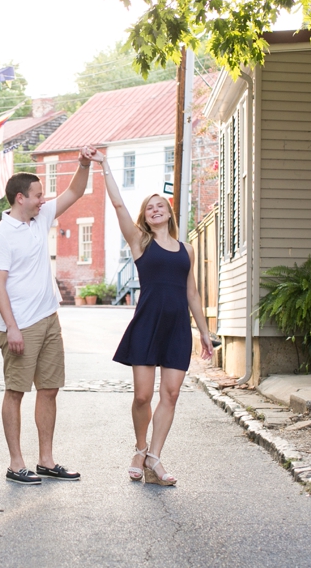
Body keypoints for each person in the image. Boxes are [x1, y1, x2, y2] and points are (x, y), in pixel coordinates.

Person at [88, 149, 214, 486]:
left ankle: (155, 459)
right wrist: (104, 165)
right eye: (149, 206)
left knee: (170, 394)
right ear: (145, 216)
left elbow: (192, 293)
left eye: (160, 205)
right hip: (146, 325)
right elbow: (117, 205)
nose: (154, 209)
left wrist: (204, 333)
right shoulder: (140, 241)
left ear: (169, 212)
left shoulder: (186, 249)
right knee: (142, 396)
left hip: (177, 329)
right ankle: (140, 449)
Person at [0, 147, 97, 485]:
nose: (43, 199)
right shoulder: (1, 235)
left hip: (49, 320)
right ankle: (16, 462)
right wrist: (13, 328)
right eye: (37, 195)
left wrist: (83, 163)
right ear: (21, 198)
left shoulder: (42, 218)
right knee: (16, 392)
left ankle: (46, 460)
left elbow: (75, 191)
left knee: (49, 390)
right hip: (21, 326)